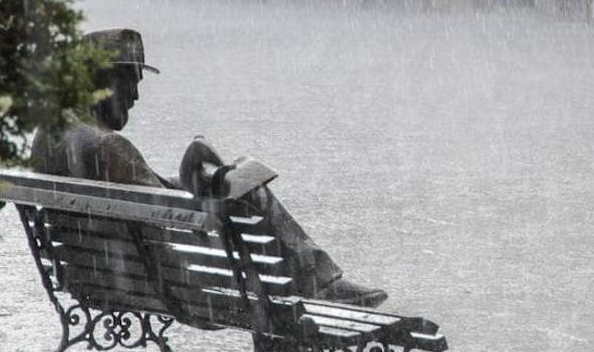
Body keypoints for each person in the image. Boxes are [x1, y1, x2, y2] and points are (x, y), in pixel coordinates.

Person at [29, 28, 388, 309]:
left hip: (93, 274)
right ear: (103, 83)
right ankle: (320, 286)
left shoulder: (50, 134)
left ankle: (308, 312)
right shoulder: (108, 146)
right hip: (172, 284)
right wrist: (207, 181)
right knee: (251, 198)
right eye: (131, 84)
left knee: (236, 195)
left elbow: (140, 196)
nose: (136, 98)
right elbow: (177, 219)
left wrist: (193, 181)